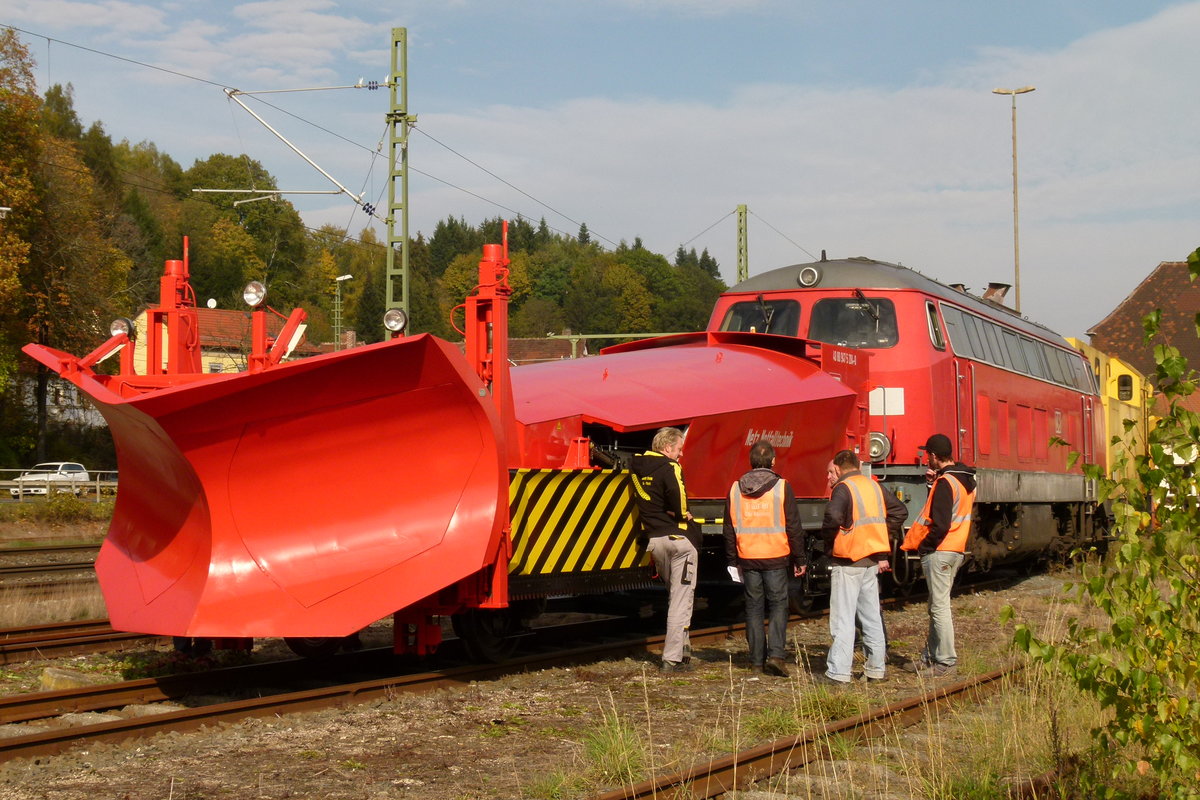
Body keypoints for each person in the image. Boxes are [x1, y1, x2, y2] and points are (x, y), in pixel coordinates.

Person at [820, 449, 908, 685]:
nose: (829, 477)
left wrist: (828, 541)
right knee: (871, 618)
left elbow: (833, 518)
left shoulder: (843, 488)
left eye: (830, 472)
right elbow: (900, 511)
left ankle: (838, 673)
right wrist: (880, 532)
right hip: (871, 560)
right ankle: (876, 669)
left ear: (838, 469)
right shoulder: (874, 486)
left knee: (843, 619)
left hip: (848, 561)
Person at [723, 440, 807, 677]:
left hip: (748, 557)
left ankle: (756, 662)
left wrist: (732, 561)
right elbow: (794, 525)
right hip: (776, 557)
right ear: (772, 462)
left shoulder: (735, 488)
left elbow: (728, 529)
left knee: (753, 608)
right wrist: (800, 559)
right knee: (779, 605)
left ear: (751, 462)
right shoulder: (781, 487)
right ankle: (777, 656)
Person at [901, 433, 977, 676]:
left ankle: (945, 662)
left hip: (941, 550)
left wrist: (926, 546)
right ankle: (930, 657)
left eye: (927, 455)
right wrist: (932, 484)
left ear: (934, 456)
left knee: (939, 607)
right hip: (954, 548)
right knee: (936, 605)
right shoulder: (963, 480)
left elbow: (941, 523)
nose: (925, 459)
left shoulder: (946, 483)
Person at [631, 427, 697, 672]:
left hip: (655, 542)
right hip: (678, 541)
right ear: (668, 448)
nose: (680, 455)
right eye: (679, 450)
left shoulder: (636, 466)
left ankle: (683, 650)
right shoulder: (671, 468)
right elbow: (680, 502)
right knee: (681, 600)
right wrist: (682, 513)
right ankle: (672, 659)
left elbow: (647, 499)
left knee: (675, 596)